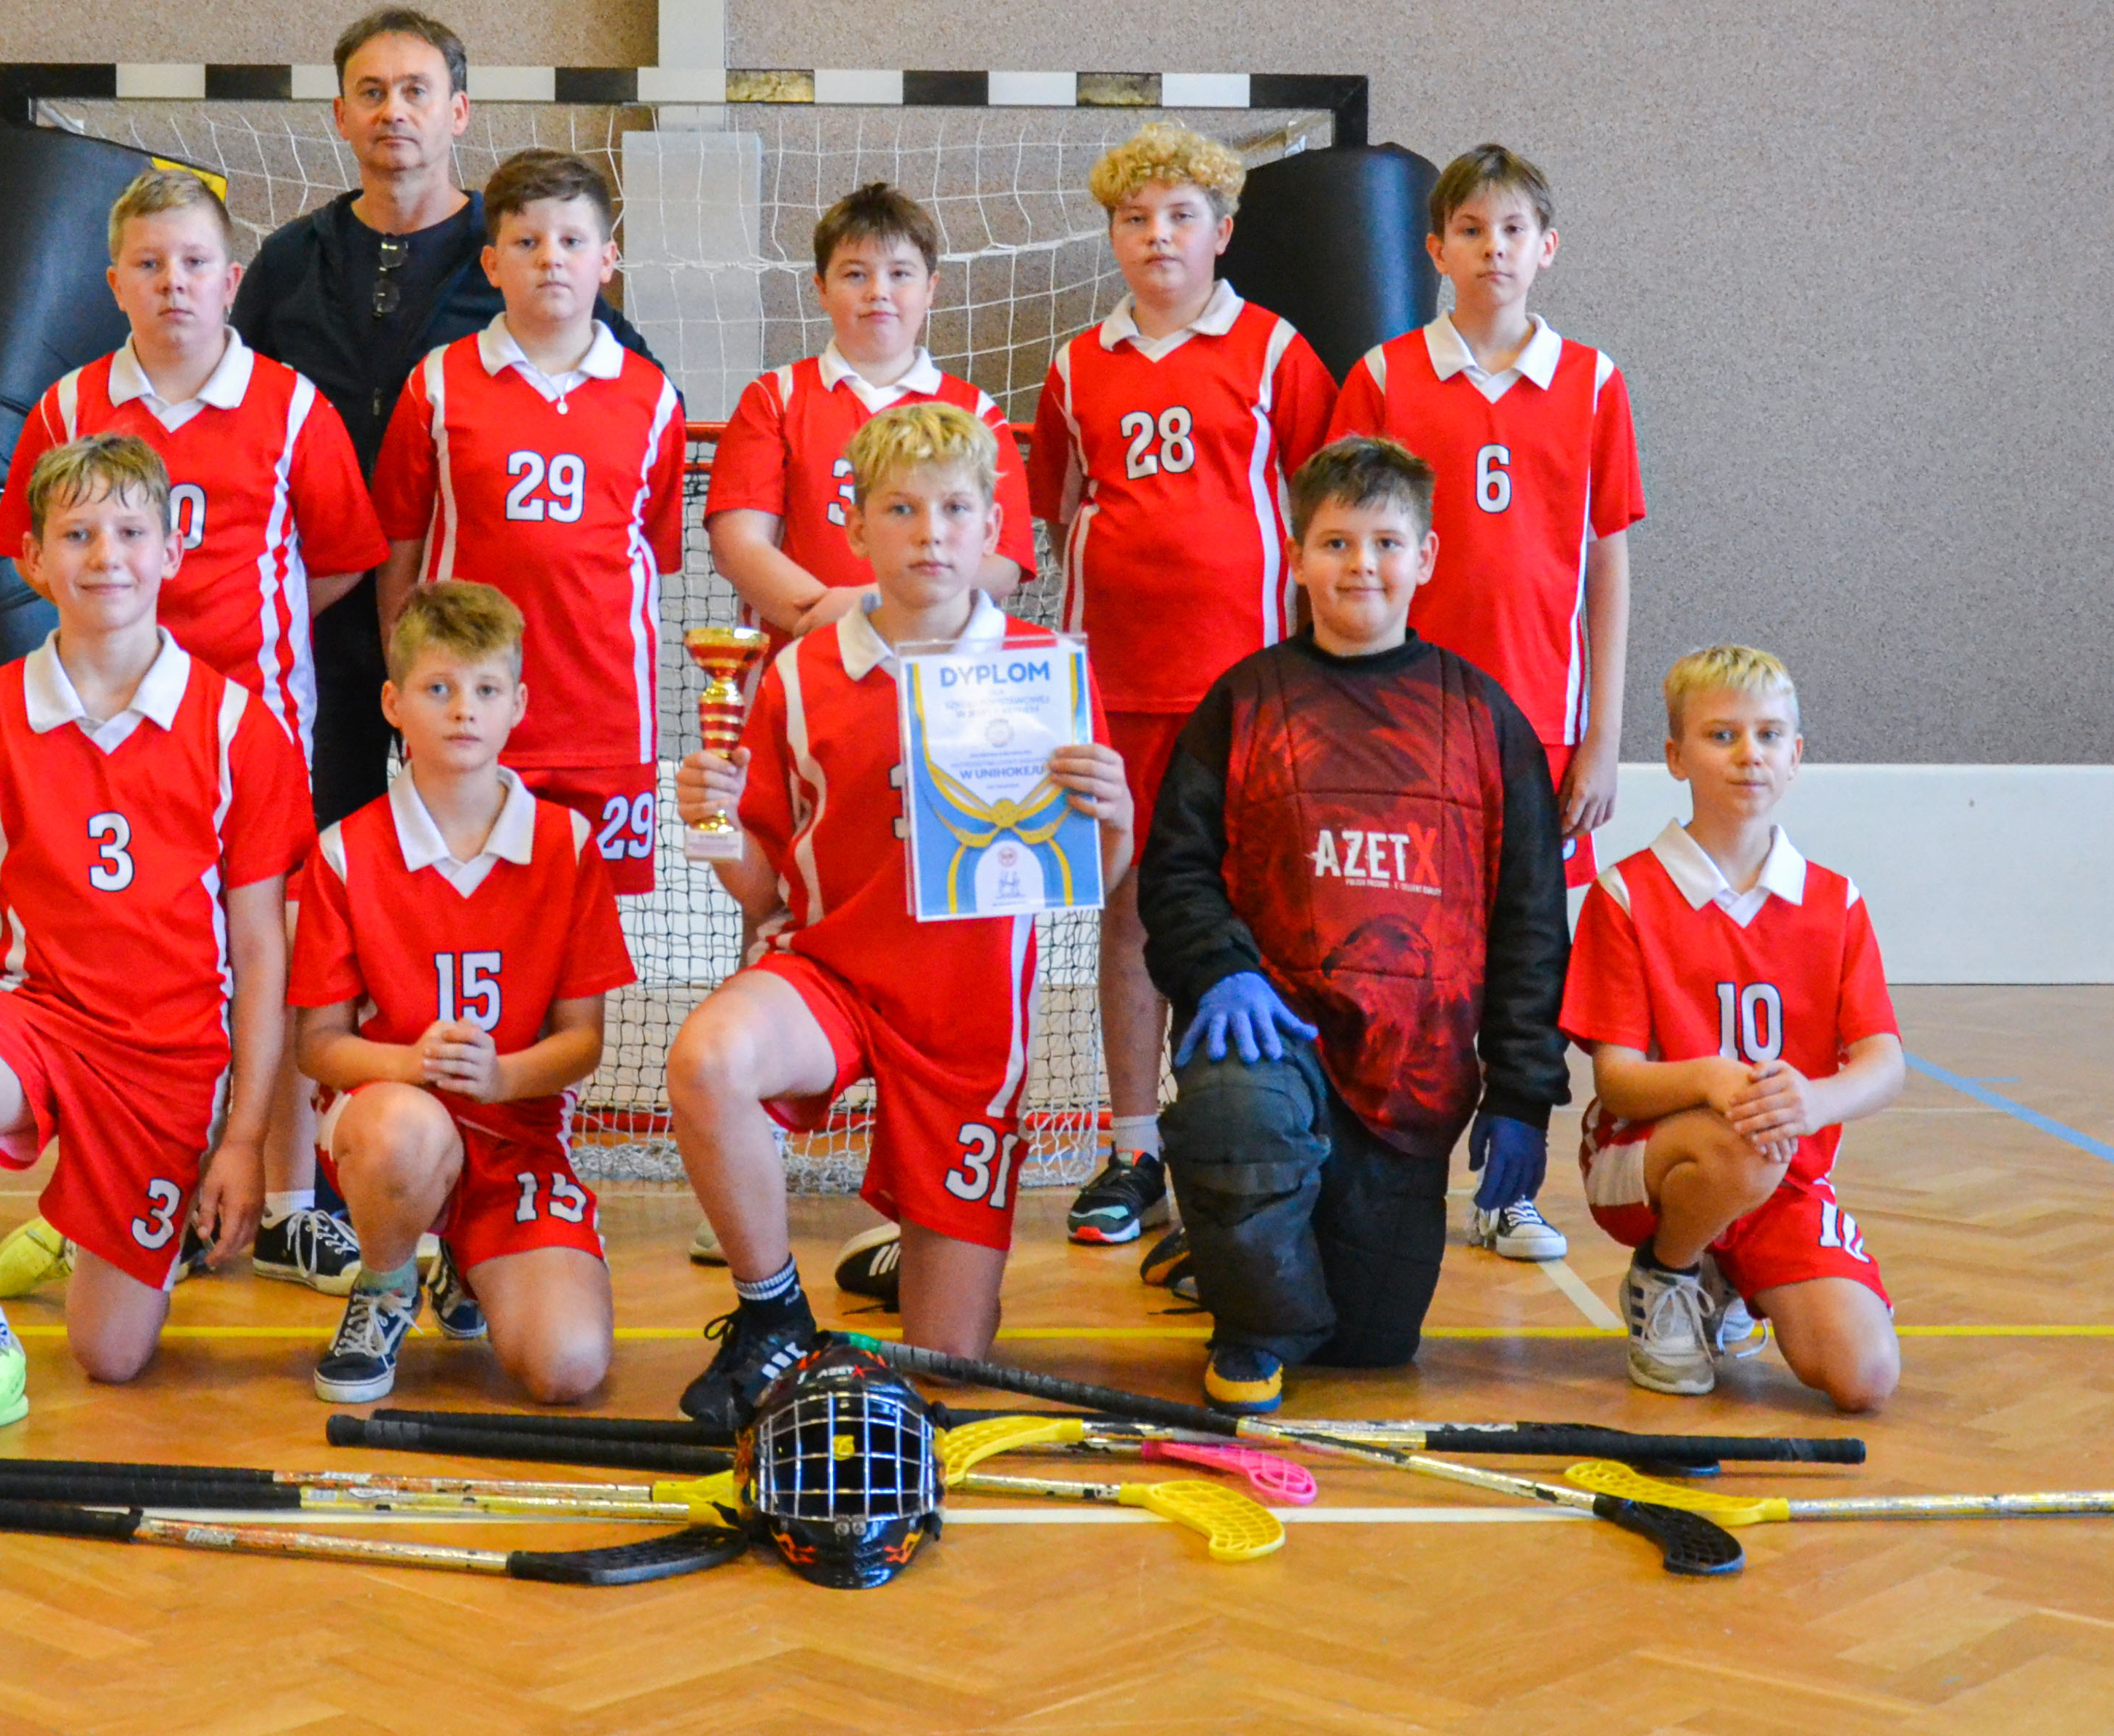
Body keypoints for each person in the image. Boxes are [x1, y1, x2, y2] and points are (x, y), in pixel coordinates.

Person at [0, 433, 311, 1451]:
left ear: (173, 551)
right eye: (78, 534)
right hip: (37, 1025)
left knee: (111, 1355)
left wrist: (242, 1140)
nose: (106, 557)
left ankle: (75, 1220)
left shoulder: (239, 729)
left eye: (131, 532)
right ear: (33, 560)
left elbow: (264, 955)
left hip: (169, 1061)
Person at [666, 403, 1133, 1429]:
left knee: (947, 1370)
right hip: (830, 975)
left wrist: (1118, 813)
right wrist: (712, 820)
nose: (931, 533)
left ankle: (911, 1250)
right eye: (902, 509)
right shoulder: (798, 674)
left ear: (993, 527)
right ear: (855, 526)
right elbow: (764, 891)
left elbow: (1092, 873)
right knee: (707, 1059)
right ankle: (772, 1312)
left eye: (956, 510)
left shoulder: (1041, 670)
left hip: (969, 1021)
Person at [0, 168, 385, 1301]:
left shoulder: (290, 406)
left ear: (231, 279)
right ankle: (100, 1200)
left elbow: (340, 560)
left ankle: (291, 1207)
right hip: (104, 742)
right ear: (114, 282)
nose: (174, 284)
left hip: (254, 740)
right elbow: (28, 548)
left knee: (278, 958)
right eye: (150, 265)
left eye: (195, 263)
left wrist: (232, 653)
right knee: (112, 962)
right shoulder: (69, 409)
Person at [1136, 437, 1569, 1415]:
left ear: (1426, 556)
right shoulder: (1243, 702)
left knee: (1371, 1345)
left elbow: (1533, 920)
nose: (1360, 565)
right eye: (1335, 543)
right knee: (1233, 1122)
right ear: (1296, 556)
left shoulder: (1486, 719)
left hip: (1412, 1072)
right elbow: (1174, 870)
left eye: (1385, 542)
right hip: (1272, 1036)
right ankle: (1251, 1319)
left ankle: (1243, 1255)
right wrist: (1221, 971)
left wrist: (1523, 1092)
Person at [1326, 141, 1645, 1266]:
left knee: (1527, 971)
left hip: (1542, 732)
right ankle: (1395, 1173)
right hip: (1409, 726)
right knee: (1409, 960)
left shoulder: (1593, 382)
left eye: (1513, 230)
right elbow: (1345, 554)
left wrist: (1602, 736)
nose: (1492, 249)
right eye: (1471, 230)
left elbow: (1607, 564)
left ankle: (1512, 1187)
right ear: (1436, 248)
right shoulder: (1384, 377)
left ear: (1546, 248)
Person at [227, 8, 656, 829]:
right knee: (326, 843)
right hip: (319, 612)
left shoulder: (518, 250)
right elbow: (233, 406)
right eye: (372, 92)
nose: (394, 110)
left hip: (467, 622)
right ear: (341, 114)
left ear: (457, 111)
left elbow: (633, 394)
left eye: (416, 91)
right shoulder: (289, 261)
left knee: (483, 849)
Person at [1030, 122, 1336, 1248]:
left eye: (1180, 216)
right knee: (1127, 911)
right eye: (1135, 218)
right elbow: (1054, 515)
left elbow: (1326, 512)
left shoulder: (1275, 351)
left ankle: (1237, 1138)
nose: (1157, 236)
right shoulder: (1078, 365)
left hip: (1242, 693)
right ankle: (1133, 1149)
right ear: (1113, 235)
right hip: (1108, 693)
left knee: (1242, 914)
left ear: (1223, 231)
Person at [289, 582, 630, 1406]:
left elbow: (583, 1040)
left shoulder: (567, 843)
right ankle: (387, 1285)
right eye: (438, 688)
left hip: (518, 1138)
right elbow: (318, 1047)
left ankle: (471, 1267)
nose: (463, 710)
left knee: (567, 1368)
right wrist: (412, 1064)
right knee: (406, 1129)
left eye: (484, 689)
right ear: (393, 704)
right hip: (393, 1128)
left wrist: (503, 1077)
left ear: (518, 705)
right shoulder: (343, 852)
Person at [1559, 644, 1904, 1411]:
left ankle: (1730, 1275)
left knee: (1865, 1377)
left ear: (1796, 755)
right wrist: (1715, 1079)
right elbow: (1617, 1081)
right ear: (1676, 757)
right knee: (1745, 1141)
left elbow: (1884, 1064)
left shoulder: (1835, 902)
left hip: (1787, 1173)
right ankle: (1669, 1270)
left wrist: (1813, 1101)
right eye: (1722, 735)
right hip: (1648, 1160)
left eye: (1769, 735)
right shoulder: (1627, 894)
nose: (1750, 754)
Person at [371, 149, 686, 896]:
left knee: (590, 922)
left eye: (573, 241)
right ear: (491, 264)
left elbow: (651, 552)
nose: (551, 259)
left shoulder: (651, 398)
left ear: (607, 260)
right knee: (461, 907)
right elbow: (400, 551)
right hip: (466, 711)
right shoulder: (437, 383)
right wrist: (409, 675)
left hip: (604, 719)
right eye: (527, 241)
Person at [705, 181, 1033, 640]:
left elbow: (1004, 560)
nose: (878, 292)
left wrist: (886, 613)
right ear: (821, 289)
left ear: (931, 288)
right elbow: (739, 544)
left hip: (934, 663)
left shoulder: (976, 412)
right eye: (855, 275)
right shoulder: (775, 398)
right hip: (801, 656)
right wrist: (828, 621)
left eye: (900, 274)